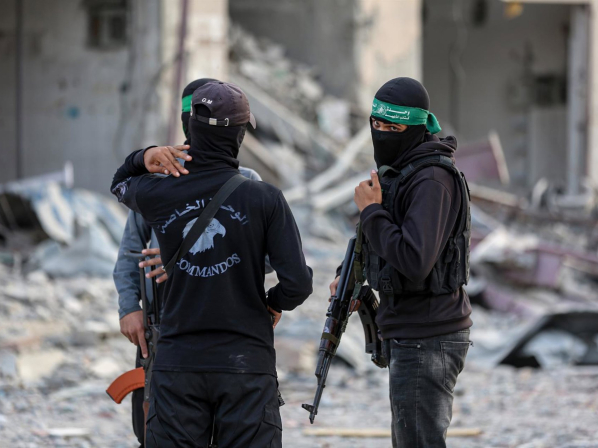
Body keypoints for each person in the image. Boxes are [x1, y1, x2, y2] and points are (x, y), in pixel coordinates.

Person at [111, 80, 313, 447]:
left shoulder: (158, 190)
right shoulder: (263, 197)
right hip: (236, 358)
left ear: (192, 125)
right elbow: (297, 281)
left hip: (180, 358)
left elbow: (120, 183)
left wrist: (142, 157)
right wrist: (272, 304)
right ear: (240, 133)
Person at [330, 77, 472, 447]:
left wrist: (371, 212)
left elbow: (414, 259)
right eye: (377, 124)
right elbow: (382, 241)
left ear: (416, 126)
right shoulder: (403, 171)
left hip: (429, 333)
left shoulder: (431, 179)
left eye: (393, 128)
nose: (382, 134)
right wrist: (349, 275)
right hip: (410, 330)